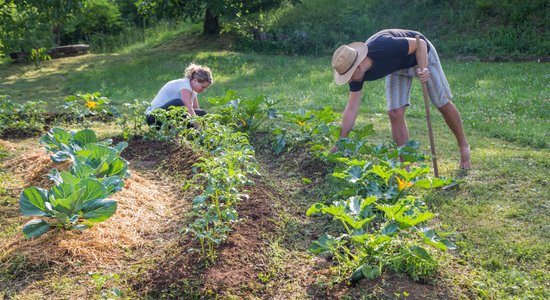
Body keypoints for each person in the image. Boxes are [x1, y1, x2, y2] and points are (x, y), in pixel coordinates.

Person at [331, 29, 471, 169]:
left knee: (442, 104)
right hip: (397, 67)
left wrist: (424, 68)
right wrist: (341, 141)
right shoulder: (356, 74)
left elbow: (420, 43)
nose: (349, 81)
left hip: (421, 55)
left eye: (349, 76)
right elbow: (351, 108)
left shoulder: (384, 46)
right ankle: (406, 167)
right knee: (394, 113)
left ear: (359, 66)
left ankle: (463, 146)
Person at [146, 63, 213, 127]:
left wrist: (203, 123)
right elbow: (188, 108)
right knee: (179, 103)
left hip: (167, 118)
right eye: (203, 87)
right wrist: (198, 127)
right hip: (153, 118)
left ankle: (192, 135)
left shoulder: (193, 91)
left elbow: (196, 110)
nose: (203, 90)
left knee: (202, 113)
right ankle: (176, 135)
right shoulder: (185, 85)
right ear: (195, 80)